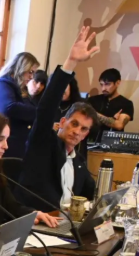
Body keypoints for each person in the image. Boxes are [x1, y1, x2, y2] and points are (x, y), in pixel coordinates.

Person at [15, 26, 100, 212]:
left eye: (83, 129)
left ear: (86, 135)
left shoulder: (78, 161)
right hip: (39, 220)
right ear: (62, 122)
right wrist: (71, 62)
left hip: (66, 221)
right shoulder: (43, 143)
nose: (77, 131)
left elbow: (92, 194)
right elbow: (46, 108)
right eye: (74, 124)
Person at [0, 52, 41, 158]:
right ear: (21, 68)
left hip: (17, 148)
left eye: (33, 73)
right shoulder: (0, 85)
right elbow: (9, 108)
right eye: (30, 72)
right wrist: (41, 112)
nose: (31, 77)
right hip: (1, 148)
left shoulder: (19, 89)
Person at [86, 68, 134, 136]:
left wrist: (93, 113)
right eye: (101, 84)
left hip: (112, 141)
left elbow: (119, 125)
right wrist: (112, 120)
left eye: (107, 84)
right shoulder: (92, 100)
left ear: (117, 83)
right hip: (90, 140)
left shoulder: (126, 103)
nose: (103, 88)